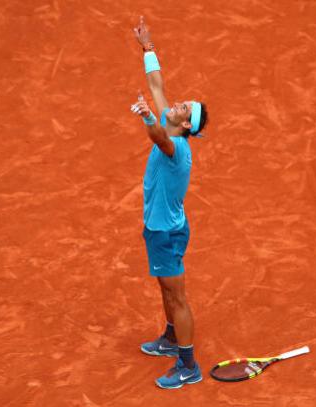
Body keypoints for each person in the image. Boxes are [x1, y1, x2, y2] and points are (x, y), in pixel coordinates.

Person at [130, 15, 209, 389]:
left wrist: (147, 116)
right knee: (166, 290)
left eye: (183, 108)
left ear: (186, 126)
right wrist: (148, 48)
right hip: (161, 227)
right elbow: (157, 84)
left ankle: (188, 365)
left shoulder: (175, 145)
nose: (177, 103)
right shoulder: (172, 124)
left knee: (177, 295)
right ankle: (171, 338)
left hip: (166, 233)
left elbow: (158, 137)